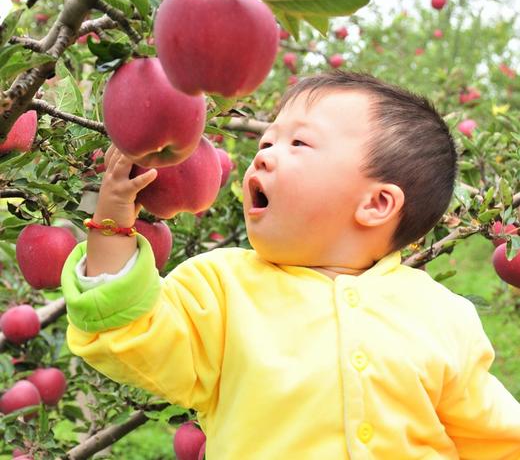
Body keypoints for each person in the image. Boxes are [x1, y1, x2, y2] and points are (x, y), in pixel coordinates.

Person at [62, 71, 520, 459]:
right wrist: (112, 223)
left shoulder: (440, 313)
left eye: (299, 143)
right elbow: (129, 332)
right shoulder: (222, 289)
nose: (262, 154)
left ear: (377, 203)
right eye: (266, 140)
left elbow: (489, 434)